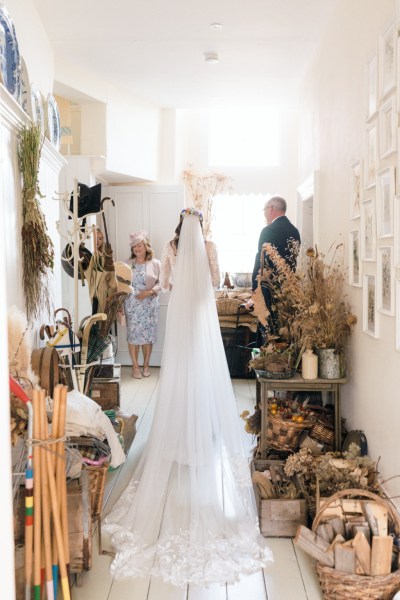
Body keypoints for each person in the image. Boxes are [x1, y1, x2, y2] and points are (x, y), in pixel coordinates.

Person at [103, 208, 272, 586]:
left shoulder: (171, 245)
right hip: (200, 310)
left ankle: (177, 429)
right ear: (201, 226)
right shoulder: (208, 245)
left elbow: (172, 282)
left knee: (179, 364)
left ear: (180, 225)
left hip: (182, 311)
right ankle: (203, 427)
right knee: (202, 362)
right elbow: (213, 278)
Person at [251, 195, 301, 334]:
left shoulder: (268, 230)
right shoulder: (295, 231)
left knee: (268, 325)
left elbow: (260, 259)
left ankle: (267, 352)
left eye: (265, 210)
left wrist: (255, 287)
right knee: (283, 325)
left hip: (269, 286)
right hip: (288, 287)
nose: (265, 214)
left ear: (271, 209)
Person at [124, 231, 161, 379]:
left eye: (139, 246)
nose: (137, 249)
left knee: (148, 336)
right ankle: (135, 366)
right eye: (134, 247)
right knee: (134, 336)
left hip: (150, 304)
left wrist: (150, 292)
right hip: (132, 304)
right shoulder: (127, 264)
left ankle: (146, 365)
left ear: (146, 246)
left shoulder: (156, 263)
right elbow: (121, 283)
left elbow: (163, 283)